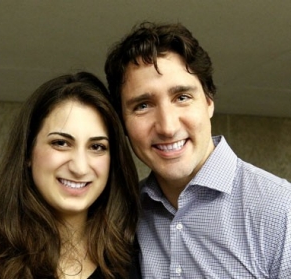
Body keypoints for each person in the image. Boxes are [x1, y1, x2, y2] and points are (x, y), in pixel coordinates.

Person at [104, 21, 291, 278]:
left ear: (209, 101)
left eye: (182, 97)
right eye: (143, 105)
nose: (167, 127)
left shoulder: (281, 209)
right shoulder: (121, 214)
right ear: (122, 122)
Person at [0, 72, 140, 279]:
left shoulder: (132, 261)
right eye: (61, 143)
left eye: (97, 146)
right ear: (27, 152)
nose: (80, 167)